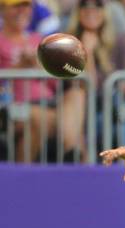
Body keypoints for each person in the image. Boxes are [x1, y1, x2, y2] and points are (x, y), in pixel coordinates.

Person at [0, 0, 83, 162]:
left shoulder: (39, 40)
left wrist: (40, 68)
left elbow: (56, 84)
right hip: (12, 106)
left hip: (49, 102)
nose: (22, 11)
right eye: (16, 7)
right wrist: (19, 67)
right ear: (2, 10)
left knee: (77, 94)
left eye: (26, 6)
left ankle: (70, 154)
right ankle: (70, 155)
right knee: (39, 120)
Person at [67, 0, 125, 156]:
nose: (91, 9)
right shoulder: (68, 43)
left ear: (106, 10)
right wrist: (87, 53)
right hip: (84, 115)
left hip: (114, 112)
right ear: (77, 10)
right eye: (85, 4)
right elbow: (88, 88)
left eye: (97, 5)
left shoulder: (121, 41)